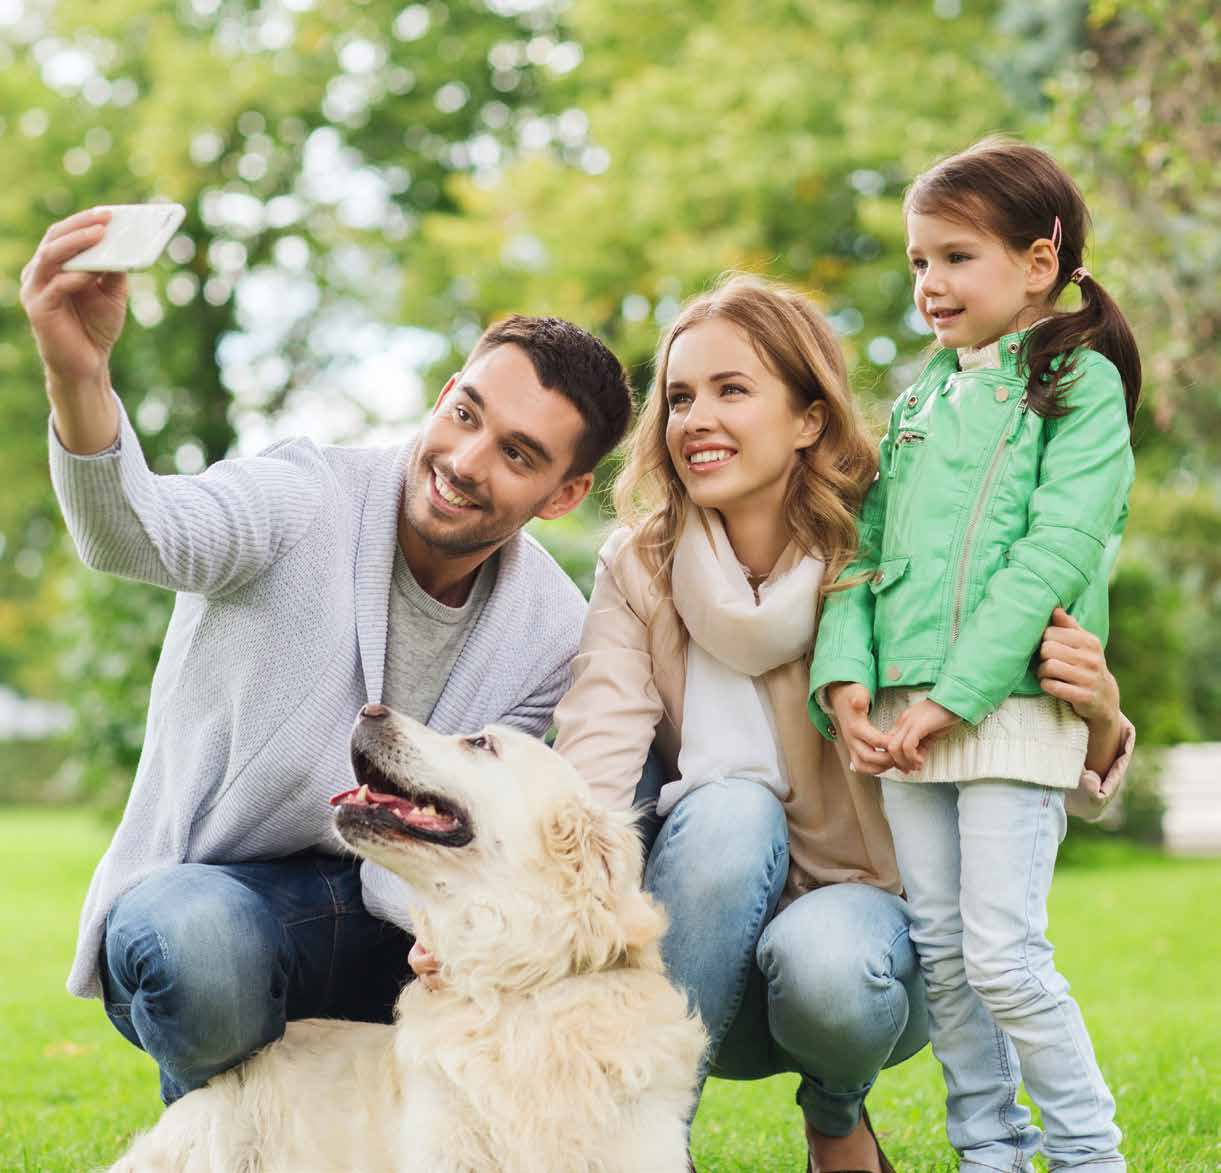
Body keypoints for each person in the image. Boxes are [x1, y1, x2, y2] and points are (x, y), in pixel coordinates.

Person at [19, 207, 633, 1105]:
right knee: (198, 943)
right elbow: (137, 534)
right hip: (222, 898)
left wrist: (455, 926)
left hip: (399, 926)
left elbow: (504, 827)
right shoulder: (301, 494)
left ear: (565, 493)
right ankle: (219, 1125)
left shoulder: (550, 630)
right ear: (442, 394)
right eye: (465, 413)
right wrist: (79, 376)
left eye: (516, 453)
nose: (463, 460)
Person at [552, 273, 1134, 1172]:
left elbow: (1015, 734)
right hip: (692, 956)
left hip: (862, 962)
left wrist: (1098, 716)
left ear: (809, 418)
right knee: (730, 810)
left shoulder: (891, 540)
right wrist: (545, 909)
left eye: (731, 389)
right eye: (678, 397)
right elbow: (594, 754)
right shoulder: (640, 565)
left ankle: (835, 1111)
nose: (695, 418)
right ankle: (643, 1142)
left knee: (829, 964)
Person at [810, 137, 1139, 1172]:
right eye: (917, 262)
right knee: (946, 960)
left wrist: (956, 696)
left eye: (955, 257)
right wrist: (848, 682)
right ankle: (987, 1151)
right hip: (909, 715)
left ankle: (1090, 1155)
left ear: (1038, 262)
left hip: (1011, 710)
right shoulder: (918, 405)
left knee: (1003, 953)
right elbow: (858, 557)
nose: (930, 284)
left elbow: (1053, 552)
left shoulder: (1080, 389)